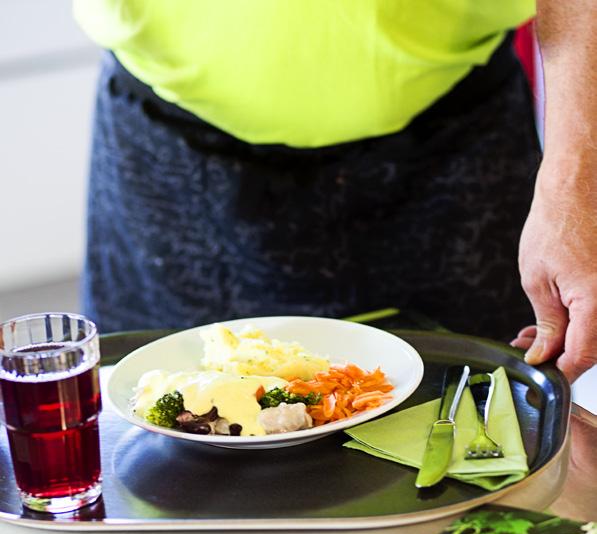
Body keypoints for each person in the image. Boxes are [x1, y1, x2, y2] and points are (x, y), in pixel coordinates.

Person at [74, 1, 597, 382]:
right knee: (160, 465)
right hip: (167, 149)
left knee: (482, 452)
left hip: (459, 142)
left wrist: (574, 178)